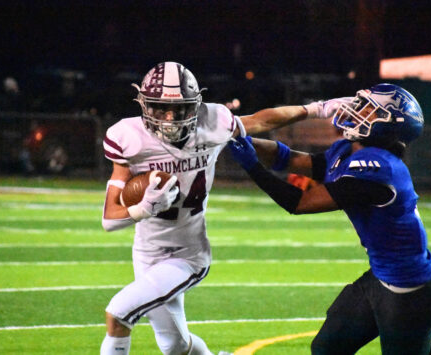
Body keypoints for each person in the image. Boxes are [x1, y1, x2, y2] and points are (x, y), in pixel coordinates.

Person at [227, 83, 431, 354]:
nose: (356, 109)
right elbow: (289, 159)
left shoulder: (379, 168)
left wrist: (251, 165)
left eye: (369, 109)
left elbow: (300, 202)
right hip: (379, 276)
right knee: (326, 349)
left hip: (410, 290)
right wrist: (239, 140)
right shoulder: (350, 150)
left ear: (387, 125)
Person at [99, 61, 342, 355]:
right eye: (161, 108)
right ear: (145, 105)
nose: (171, 117)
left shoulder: (213, 121)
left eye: (180, 109)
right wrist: (145, 208)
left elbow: (264, 120)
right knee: (175, 346)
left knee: (119, 314)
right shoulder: (128, 137)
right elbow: (110, 220)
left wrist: (318, 108)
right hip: (146, 252)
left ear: (196, 105)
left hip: (187, 255)